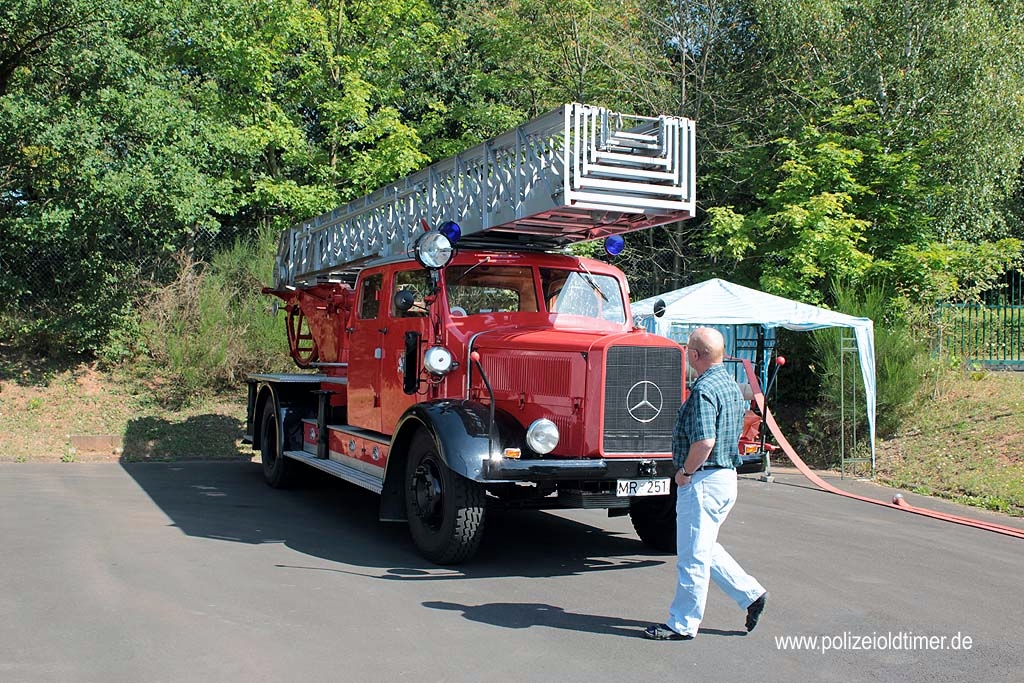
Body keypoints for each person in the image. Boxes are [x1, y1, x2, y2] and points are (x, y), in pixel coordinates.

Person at [644, 326, 767, 641]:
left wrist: (684, 472)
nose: (686, 354)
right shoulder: (729, 384)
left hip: (703, 479)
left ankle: (682, 624)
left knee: (691, 557)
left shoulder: (702, 390)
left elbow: (705, 441)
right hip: (726, 478)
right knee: (705, 548)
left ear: (695, 355)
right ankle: (750, 593)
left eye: (688, 350)